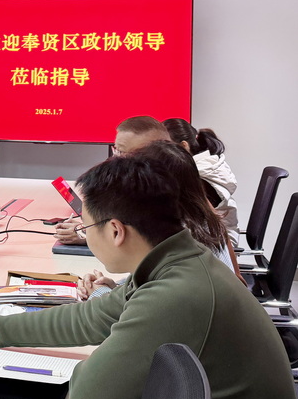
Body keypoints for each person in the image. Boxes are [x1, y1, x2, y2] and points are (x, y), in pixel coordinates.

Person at [0, 153, 298, 399]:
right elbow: (92, 317)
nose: (85, 235)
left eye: (86, 227)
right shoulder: (175, 259)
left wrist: (103, 364)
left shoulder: (175, 294)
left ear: (115, 231)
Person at [77, 141, 243, 299]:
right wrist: (115, 289)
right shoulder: (199, 218)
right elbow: (150, 283)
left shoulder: (181, 235)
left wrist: (101, 294)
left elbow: (152, 302)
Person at [55, 115, 171, 245]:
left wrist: (88, 236)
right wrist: (89, 230)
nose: (117, 160)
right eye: (117, 150)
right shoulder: (133, 185)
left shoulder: (170, 195)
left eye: (125, 153)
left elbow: (143, 242)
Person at [163, 117, 238, 246]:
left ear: (184, 146)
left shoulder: (200, 176)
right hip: (212, 240)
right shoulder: (208, 165)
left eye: (165, 148)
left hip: (218, 247)